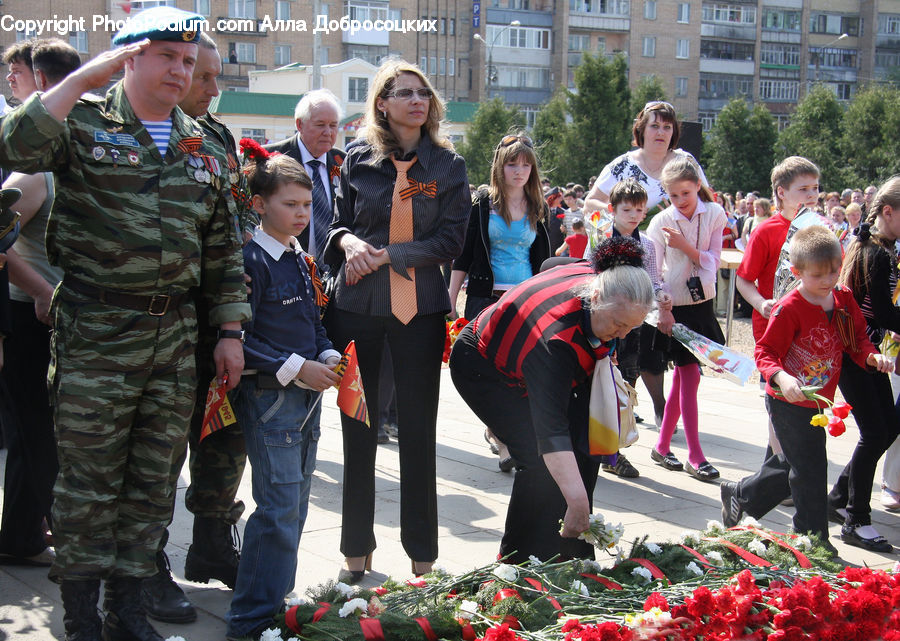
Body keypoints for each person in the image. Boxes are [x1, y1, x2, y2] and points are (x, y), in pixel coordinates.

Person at [0, 7, 251, 640]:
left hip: (174, 339)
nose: (180, 70)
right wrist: (80, 80)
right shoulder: (80, 123)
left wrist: (228, 331)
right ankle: (82, 616)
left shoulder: (203, 142)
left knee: (152, 483)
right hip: (96, 331)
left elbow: (224, 248)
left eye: (188, 61)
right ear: (128, 57)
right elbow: (15, 144)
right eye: (167, 56)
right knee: (88, 482)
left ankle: (127, 610)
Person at [323, 58, 469, 582]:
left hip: (419, 314)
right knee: (356, 430)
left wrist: (389, 254)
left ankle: (422, 561)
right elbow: (333, 227)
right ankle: (355, 554)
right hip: (356, 311)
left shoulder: (449, 167)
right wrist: (350, 241)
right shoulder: (356, 157)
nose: (416, 101)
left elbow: (452, 240)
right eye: (403, 93)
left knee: (417, 434)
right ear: (382, 104)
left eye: (423, 93)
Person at [141, 33, 258, 624]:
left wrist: (233, 322)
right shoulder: (141, 128)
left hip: (220, 316)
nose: (212, 89)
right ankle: (148, 562)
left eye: (214, 77)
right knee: (160, 449)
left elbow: (231, 230)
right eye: (202, 76)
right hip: (162, 320)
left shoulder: (216, 138)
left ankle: (212, 540)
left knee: (224, 435)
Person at [449, 237, 654, 563]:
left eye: (633, 326)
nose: (623, 335)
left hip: (553, 353)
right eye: (618, 324)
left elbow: (550, 266)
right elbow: (551, 433)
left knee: (586, 444)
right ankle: (516, 564)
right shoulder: (558, 341)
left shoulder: (604, 275)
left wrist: (578, 500)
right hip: (485, 366)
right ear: (596, 297)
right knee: (537, 459)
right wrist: (577, 500)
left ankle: (572, 555)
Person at [225, 153, 341, 640]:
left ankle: (276, 607)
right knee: (276, 508)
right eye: (289, 204)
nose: (300, 214)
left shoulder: (296, 254)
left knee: (295, 506)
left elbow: (311, 322)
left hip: (305, 398)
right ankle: (251, 619)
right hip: (271, 397)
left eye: (306, 205)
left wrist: (329, 353)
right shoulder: (252, 260)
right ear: (257, 204)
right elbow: (237, 338)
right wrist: (298, 367)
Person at [721, 226, 893, 546]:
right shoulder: (789, 308)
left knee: (793, 463)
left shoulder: (842, 298)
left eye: (834, 271)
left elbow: (857, 340)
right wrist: (783, 378)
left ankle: (741, 496)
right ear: (797, 271)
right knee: (811, 467)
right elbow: (765, 352)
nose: (828, 280)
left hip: (816, 401)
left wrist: (871, 358)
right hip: (786, 399)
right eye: (818, 275)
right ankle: (811, 539)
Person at [0, 38, 80, 569]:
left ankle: (22, 535)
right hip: (31, 316)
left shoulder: (74, 155)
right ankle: (58, 538)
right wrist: (40, 291)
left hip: (60, 316)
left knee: (38, 435)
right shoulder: (34, 171)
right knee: (39, 432)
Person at [584, 101, 709, 429]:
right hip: (633, 255)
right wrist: (633, 218)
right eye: (654, 126)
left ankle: (659, 408)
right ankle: (626, 405)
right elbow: (591, 203)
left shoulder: (685, 162)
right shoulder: (624, 165)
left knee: (657, 341)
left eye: (667, 127)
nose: (661, 132)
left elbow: (707, 201)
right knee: (627, 335)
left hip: (678, 261)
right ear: (641, 129)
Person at [448, 132, 551, 472]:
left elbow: (546, 260)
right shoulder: (482, 204)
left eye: (525, 164)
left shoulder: (540, 206)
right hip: (486, 299)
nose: (519, 170)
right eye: (512, 164)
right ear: (500, 167)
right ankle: (501, 438)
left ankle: (504, 434)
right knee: (489, 371)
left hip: (526, 300)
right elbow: (463, 255)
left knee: (521, 373)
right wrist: (451, 299)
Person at [825, 177, 900, 551]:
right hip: (856, 350)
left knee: (887, 427)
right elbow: (884, 311)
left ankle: (839, 497)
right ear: (888, 212)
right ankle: (855, 519)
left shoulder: (872, 245)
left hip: (861, 349)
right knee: (875, 432)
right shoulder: (878, 253)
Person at [646, 156, 726, 481]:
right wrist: (662, 309)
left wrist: (687, 248)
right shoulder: (659, 222)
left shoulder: (716, 215)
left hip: (703, 304)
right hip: (674, 307)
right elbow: (653, 272)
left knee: (683, 379)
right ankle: (695, 455)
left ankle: (662, 446)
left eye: (686, 194)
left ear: (697, 187)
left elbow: (714, 262)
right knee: (688, 377)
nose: (680, 201)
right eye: (674, 195)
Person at [735, 157, 821, 460]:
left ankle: (781, 471)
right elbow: (743, 280)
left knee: (804, 401)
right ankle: (780, 472)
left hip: (811, 332)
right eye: (803, 189)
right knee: (778, 403)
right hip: (774, 330)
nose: (812, 195)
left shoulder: (819, 230)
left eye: (815, 188)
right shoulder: (766, 230)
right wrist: (761, 303)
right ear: (781, 192)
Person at [596, 178, 668, 479]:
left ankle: (614, 450)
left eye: (640, 210)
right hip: (602, 322)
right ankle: (598, 446)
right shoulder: (600, 238)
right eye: (628, 209)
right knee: (598, 384)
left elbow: (653, 279)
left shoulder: (647, 244)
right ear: (613, 209)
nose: (635, 215)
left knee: (626, 384)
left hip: (633, 326)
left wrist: (662, 295)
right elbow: (590, 275)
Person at [264, 89, 345, 260]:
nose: (328, 132)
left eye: (333, 125)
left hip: (335, 269)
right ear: (299, 125)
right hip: (282, 263)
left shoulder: (343, 162)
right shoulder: (270, 158)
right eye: (320, 124)